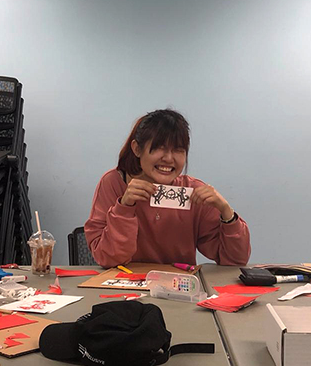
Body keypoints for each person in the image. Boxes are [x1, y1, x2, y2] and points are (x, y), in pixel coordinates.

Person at [85, 108, 251, 267]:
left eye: (178, 150)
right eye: (159, 148)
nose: (169, 158)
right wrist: (125, 206)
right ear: (137, 149)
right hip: (126, 288)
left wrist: (226, 212)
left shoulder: (193, 192)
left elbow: (235, 261)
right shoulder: (113, 183)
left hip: (179, 289)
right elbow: (108, 258)